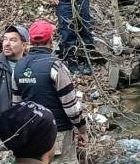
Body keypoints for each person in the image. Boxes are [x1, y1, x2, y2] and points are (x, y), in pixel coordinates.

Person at [12, 20, 88, 164]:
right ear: (51, 40)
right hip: (57, 135)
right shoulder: (55, 66)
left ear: (30, 41)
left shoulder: (18, 67)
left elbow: (16, 107)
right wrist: (82, 129)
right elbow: (71, 107)